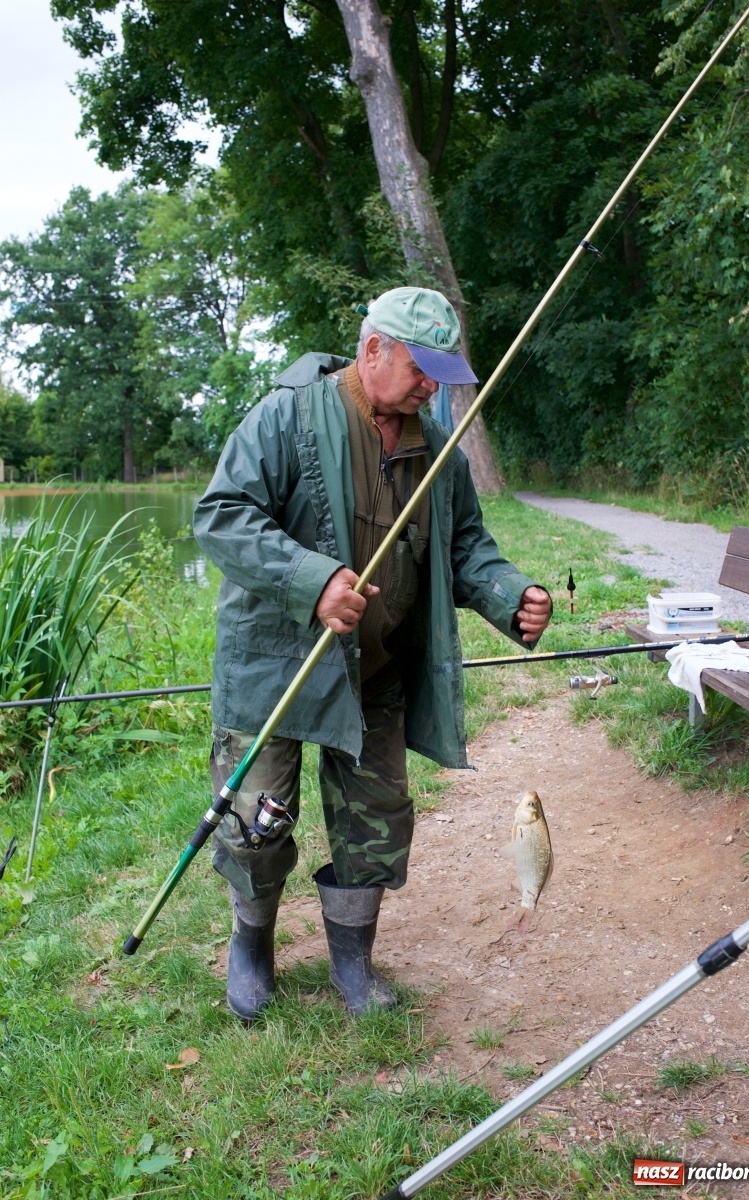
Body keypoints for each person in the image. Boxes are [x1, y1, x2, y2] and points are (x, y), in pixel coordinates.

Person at [193, 286, 552, 1021]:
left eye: (441, 376)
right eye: (421, 370)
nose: (431, 389)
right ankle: (251, 944)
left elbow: (465, 546)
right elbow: (222, 517)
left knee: (377, 822)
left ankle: (353, 962)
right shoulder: (285, 417)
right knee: (256, 823)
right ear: (372, 351)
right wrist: (314, 580)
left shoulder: (440, 446)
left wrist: (511, 594)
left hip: (376, 669)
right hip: (273, 670)